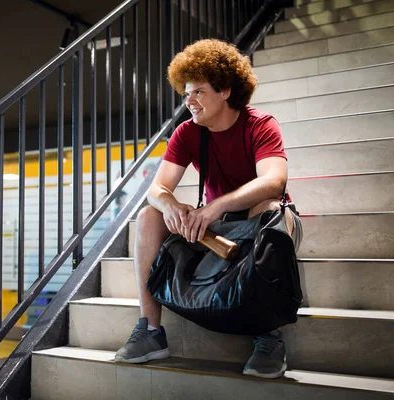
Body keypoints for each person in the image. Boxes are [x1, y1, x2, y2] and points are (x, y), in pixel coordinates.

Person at [114, 39, 303, 379]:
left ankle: (267, 335)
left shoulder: (260, 124)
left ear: (226, 90)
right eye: (186, 93)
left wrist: (214, 207)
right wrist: (170, 205)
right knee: (148, 215)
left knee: (268, 204)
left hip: (264, 219)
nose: (189, 103)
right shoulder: (188, 133)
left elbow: (274, 182)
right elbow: (156, 190)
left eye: (199, 92)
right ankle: (151, 331)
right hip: (218, 227)